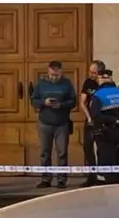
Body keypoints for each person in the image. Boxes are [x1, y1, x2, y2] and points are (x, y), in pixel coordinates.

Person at [31, 60, 77, 189]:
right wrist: (43, 102)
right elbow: (33, 101)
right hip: (44, 123)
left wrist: (61, 105)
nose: (53, 77)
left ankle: (62, 179)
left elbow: (73, 101)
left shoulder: (67, 84)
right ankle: (46, 178)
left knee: (62, 152)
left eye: (56, 75)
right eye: (51, 75)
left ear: (60, 72)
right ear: (48, 71)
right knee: (45, 152)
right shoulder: (41, 83)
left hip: (61, 123)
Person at [87, 68, 119, 185]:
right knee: (118, 160)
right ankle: (118, 184)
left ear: (100, 79)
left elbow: (95, 115)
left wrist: (111, 119)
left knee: (105, 161)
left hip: (105, 133)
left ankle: (106, 185)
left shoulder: (98, 95)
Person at [79, 60, 106, 186]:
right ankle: (91, 176)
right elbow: (82, 102)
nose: (91, 75)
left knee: (102, 149)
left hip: (103, 121)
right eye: (90, 72)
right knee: (88, 148)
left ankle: (102, 176)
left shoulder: (107, 84)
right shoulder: (88, 82)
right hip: (90, 121)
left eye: (94, 72)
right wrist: (89, 117)